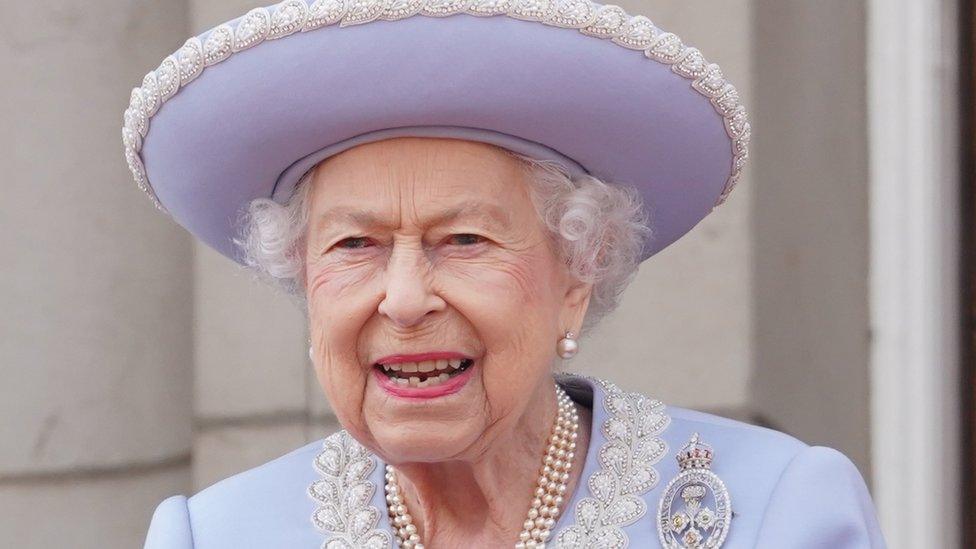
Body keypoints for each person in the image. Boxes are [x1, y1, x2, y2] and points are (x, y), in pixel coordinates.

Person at [124, 0, 886, 547]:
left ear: (577, 277)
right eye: (355, 245)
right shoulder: (215, 534)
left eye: (463, 239)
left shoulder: (772, 511)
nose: (406, 297)